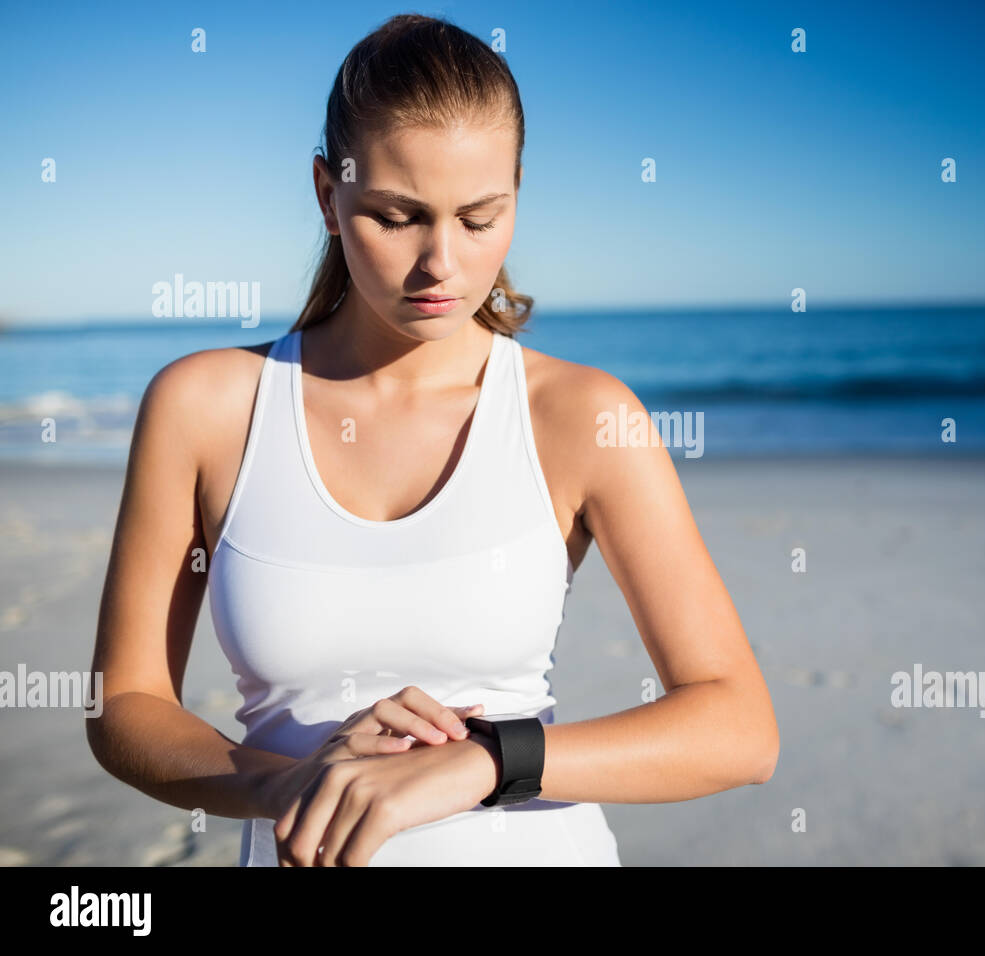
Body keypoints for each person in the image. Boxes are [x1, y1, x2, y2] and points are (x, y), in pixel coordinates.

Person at [86, 13, 778, 867]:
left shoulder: (581, 415)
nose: (440, 264)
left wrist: (485, 761)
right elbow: (124, 705)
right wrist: (284, 786)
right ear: (325, 195)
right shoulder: (204, 406)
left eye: (480, 218)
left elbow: (739, 726)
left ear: (518, 193)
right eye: (396, 215)